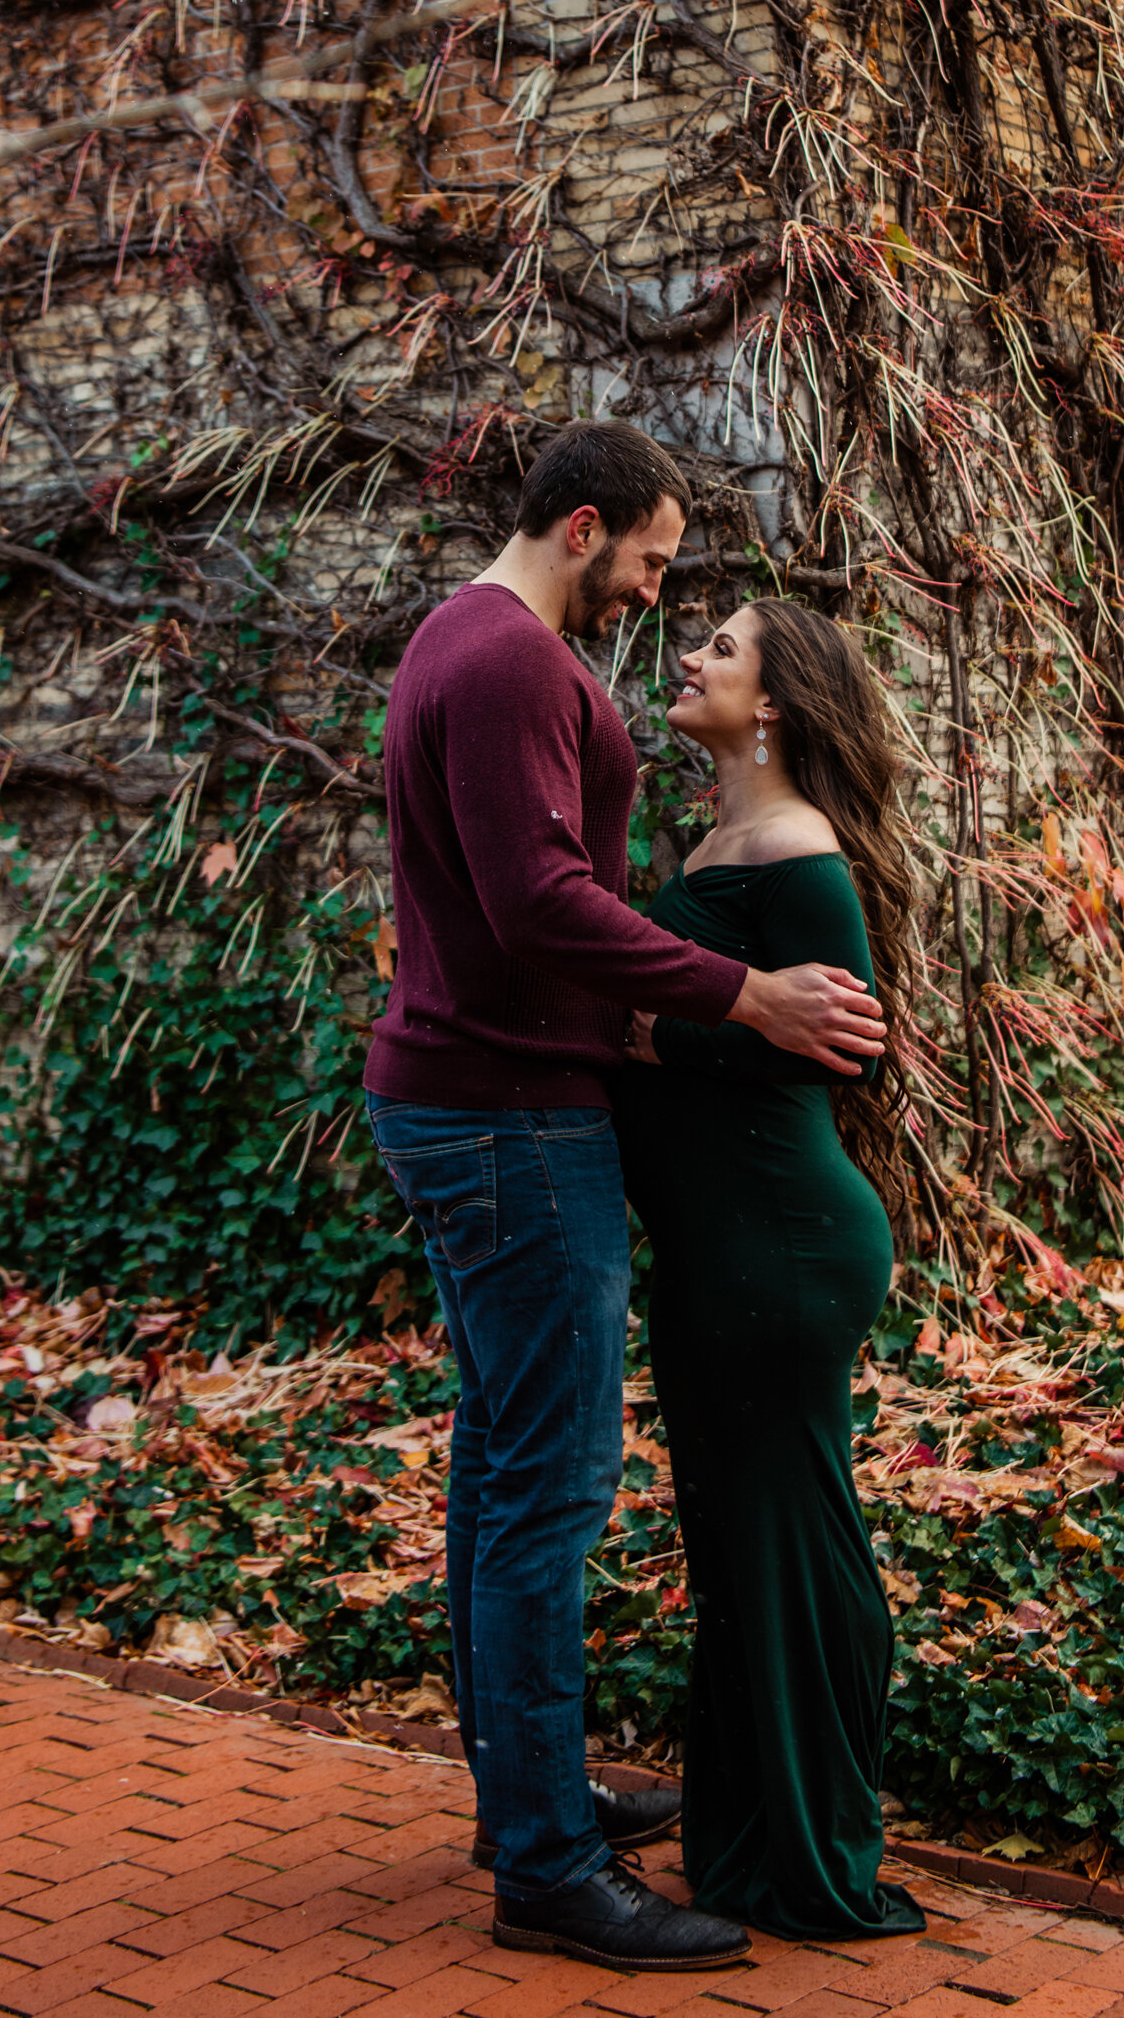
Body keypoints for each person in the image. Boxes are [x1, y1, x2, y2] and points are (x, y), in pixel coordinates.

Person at [363, 422, 887, 1975]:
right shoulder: (517, 662)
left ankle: (521, 1796)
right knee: (546, 1487)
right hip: (509, 1119)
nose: (655, 596)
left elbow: (531, 912)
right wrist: (737, 997)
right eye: (653, 563)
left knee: (500, 1465)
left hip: (474, 1098)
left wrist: (664, 1020)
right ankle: (544, 1864)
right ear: (582, 527)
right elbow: (539, 905)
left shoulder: (457, 639)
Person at [613, 597, 927, 1942]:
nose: (689, 659)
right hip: (721, 1245)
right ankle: (750, 1844)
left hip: (779, 1243)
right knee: (743, 1550)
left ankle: (810, 1854)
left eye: (721, 649)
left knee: (789, 1544)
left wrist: (653, 1043)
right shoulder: (724, 835)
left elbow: (845, 1047)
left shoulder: (797, 855)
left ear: (779, 702)